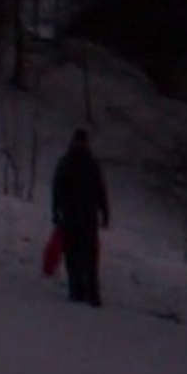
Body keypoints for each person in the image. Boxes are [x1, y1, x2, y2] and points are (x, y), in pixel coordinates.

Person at [51, 128, 110, 306]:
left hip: (81, 216)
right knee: (78, 255)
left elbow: (100, 190)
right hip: (76, 216)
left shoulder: (77, 163)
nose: (81, 145)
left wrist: (104, 211)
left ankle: (85, 292)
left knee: (83, 256)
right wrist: (56, 211)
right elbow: (57, 190)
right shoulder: (82, 163)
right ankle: (83, 291)